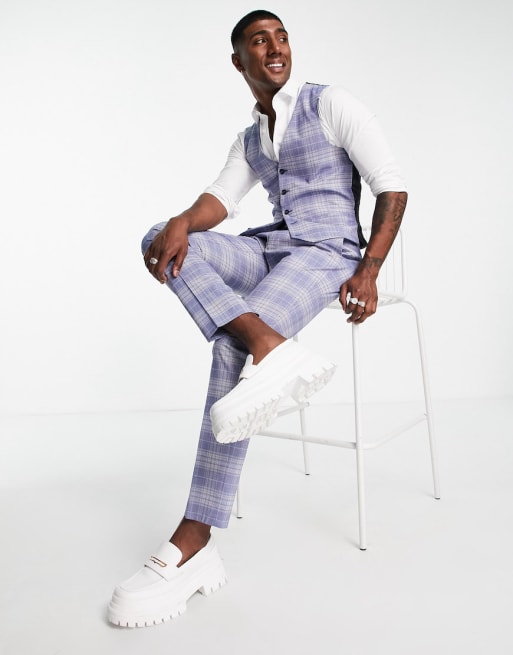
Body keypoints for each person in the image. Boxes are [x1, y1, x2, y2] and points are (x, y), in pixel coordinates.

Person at [107, 9, 407, 628]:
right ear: (238, 61)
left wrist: (370, 269)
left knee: (228, 347)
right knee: (161, 238)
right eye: (259, 41)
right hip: (273, 247)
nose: (275, 48)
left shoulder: (330, 103)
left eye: (281, 37)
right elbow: (220, 199)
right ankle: (267, 340)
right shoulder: (250, 137)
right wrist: (180, 223)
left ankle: (196, 536)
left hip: (329, 255)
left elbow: (392, 187)